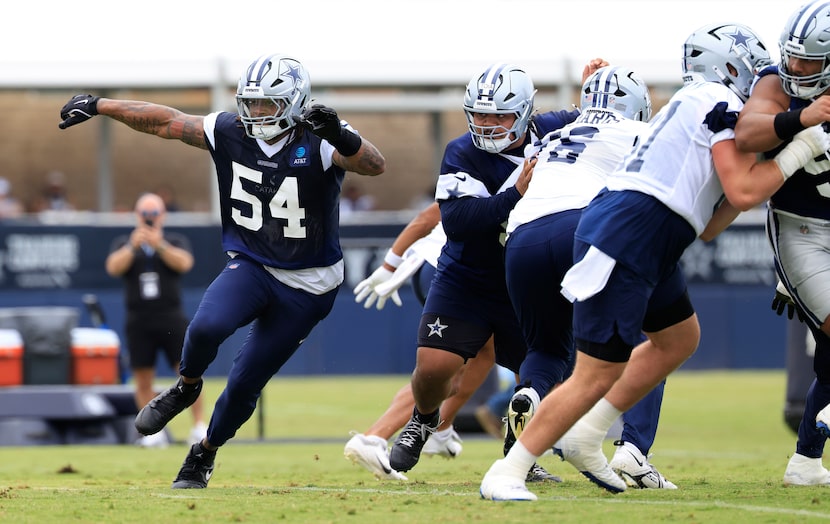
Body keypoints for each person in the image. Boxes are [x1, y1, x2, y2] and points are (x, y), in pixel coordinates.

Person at [480, 22, 830, 501]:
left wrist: (784, 154)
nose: (763, 78)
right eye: (751, 67)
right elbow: (745, 190)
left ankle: (589, 432)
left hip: (654, 230)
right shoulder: (713, 99)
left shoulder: (696, 103)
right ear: (729, 68)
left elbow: (713, 220)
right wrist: (802, 147)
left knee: (679, 338)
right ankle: (509, 469)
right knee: (594, 373)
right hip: (632, 229)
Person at [59, 53, 386, 488]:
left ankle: (203, 454)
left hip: (308, 285)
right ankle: (186, 386)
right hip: (252, 263)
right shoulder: (229, 131)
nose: (256, 113)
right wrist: (101, 105)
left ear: (293, 102)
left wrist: (342, 134)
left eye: (267, 104)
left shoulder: (320, 139)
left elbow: (374, 164)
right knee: (206, 326)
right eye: (250, 103)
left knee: (245, 383)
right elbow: (165, 122)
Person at [385, 61, 590, 477]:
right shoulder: (461, 151)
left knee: (535, 374)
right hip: (469, 277)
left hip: (527, 279)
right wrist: (515, 193)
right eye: (479, 114)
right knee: (433, 366)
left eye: (500, 114)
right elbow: (458, 221)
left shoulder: (551, 129)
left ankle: (520, 454)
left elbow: (601, 122)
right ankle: (424, 418)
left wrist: (594, 90)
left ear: (526, 113)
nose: (488, 124)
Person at [501, 65, 675, 490]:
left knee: (545, 348)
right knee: (657, 337)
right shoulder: (638, 131)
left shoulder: (552, 136)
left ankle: (531, 394)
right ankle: (633, 450)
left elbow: (510, 197)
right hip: (583, 227)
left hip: (522, 238)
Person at [734, 0, 830, 486]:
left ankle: (807, 461)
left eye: (808, 62)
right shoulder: (774, 84)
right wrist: (802, 118)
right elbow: (748, 134)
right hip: (802, 228)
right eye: (792, 58)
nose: (795, 70)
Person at [344, 202, 511, 481]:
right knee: (445, 367)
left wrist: (392, 262)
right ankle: (374, 437)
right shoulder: (499, 167)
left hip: (445, 267)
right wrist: (388, 264)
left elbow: (427, 218)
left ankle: (440, 427)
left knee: (481, 353)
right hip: (453, 270)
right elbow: (429, 216)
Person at [105, 192, 206, 448]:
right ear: (137, 215)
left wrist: (159, 245)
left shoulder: (174, 240)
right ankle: (152, 432)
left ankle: (199, 426)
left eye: (154, 214)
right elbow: (113, 268)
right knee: (142, 378)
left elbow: (185, 263)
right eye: (145, 214)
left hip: (170, 316)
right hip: (139, 318)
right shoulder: (124, 243)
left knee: (188, 372)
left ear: (162, 215)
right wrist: (132, 246)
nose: (149, 219)